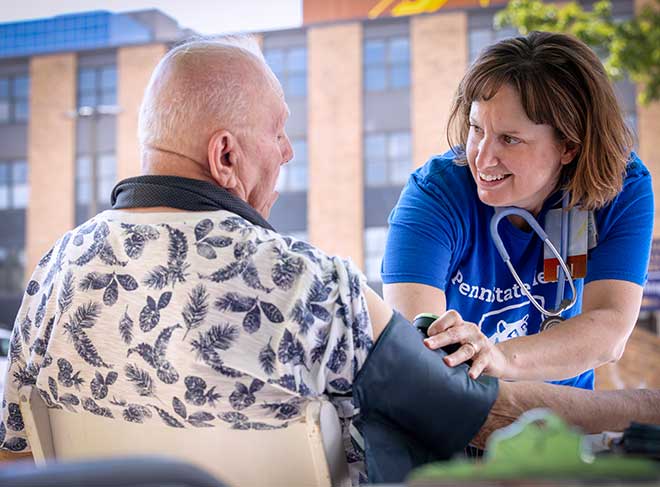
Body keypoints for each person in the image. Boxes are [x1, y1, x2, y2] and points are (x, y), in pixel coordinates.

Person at [1, 36, 659, 485]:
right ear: (226, 155)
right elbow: (475, 407)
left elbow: (20, 448)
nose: (289, 153)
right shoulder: (315, 285)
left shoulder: (51, 274)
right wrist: (640, 406)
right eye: (279, 132)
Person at [382, 31, 653, 390]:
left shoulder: (621, 186)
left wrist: (497, 356)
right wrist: (478, 361)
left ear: (569, 146)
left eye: (510, 139)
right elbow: (420, 342)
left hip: (562, 417)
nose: (481, 157)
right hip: (458, 412)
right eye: (478, 129)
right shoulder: (435, 195)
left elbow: (610, 329)